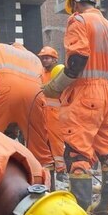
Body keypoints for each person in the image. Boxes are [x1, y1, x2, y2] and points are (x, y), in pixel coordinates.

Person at [43, 0, 108, 215]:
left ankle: (80, 209)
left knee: (77, 150)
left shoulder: (78, 20)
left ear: (74, 3)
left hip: (85, 92)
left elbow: (77, 58)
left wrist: (57, 85)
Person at [0, 42, 53, 167]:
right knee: (39, 146)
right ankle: (44, 173)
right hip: (34, 96)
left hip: (4, 91)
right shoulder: (34, 58)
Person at [38, 46, 67, 179]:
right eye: (42, 58)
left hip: (56, 114)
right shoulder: (40, 73)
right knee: (43, 142)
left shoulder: (60, 72)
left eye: (47, 58)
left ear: (55, 59)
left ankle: (61, 170)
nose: (44, 60)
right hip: (43, 112)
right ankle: (47, 170)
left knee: (57, 143)